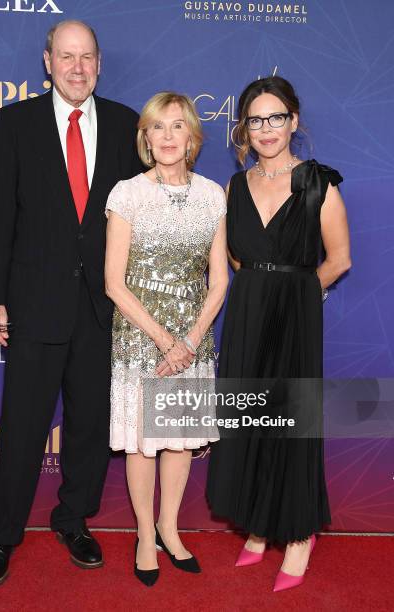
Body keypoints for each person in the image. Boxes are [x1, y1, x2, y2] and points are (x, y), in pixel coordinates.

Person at [0, 20, 142, 587]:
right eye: (66, 57)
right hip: (34, 305)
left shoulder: (126, 125)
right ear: (47, 61)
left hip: (103, 309)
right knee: (22, 427)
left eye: (87, 57)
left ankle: (74, 519)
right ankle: (2, 535)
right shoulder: (15, 122)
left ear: (99, 62)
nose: (77, 68)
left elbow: (140, 217)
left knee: (90, 427)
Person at [206, 76, 351, 592]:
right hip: (248, 308)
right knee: (250, 417)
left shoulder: (318, 185)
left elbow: (339, 260)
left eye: (276, 117)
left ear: (294, 120)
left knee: (292, 421)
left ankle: (297, 535)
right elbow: (237, 256)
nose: (266, 128)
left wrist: (295, 290)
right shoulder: (233, 187)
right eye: (256, 119)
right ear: (244, 127)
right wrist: (261, 285)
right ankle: (261, 523)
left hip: (296, 311)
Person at [105, 92, 228, 586]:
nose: (169, 137)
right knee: (144, 444)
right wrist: (163, 340)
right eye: (159, 127)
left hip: (193, 341)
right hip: (140, 341)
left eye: (178, 127)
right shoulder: (128, 193)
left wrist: (190, 341)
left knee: (179, 442)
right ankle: (142, 534)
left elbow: (219, 280)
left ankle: (169, 528)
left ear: (193, 137)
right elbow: (114, 281)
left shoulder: (213, 195)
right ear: (146, 138)